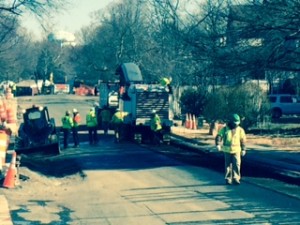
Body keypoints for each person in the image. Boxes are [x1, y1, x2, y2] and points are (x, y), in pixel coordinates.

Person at [215, 113, 247, 185]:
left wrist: (243, 149)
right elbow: (219, 136)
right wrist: (218, 144)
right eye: (235, 123)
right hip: (227, 150)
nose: (236, 124)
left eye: (237, 123)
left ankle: (236, 178)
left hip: (237, 150)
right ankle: (228, 179)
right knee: (228, 166)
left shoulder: (240, 130)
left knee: (237, 164)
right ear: (231, 122)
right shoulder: (225, 129)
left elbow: (243, 140)